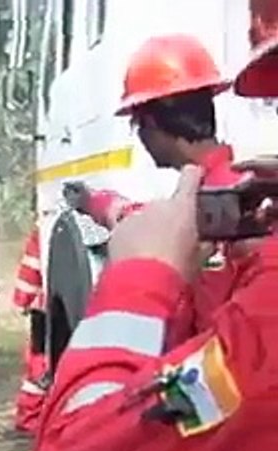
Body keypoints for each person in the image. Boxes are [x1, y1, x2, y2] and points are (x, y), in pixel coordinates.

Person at [32, 30, 278, 451]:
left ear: (151, 125)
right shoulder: (237, 202)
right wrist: (100, 207)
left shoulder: (254, 309)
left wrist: (139, 278)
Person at [66, 34, 246, 344]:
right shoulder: (224, 186)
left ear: (154, 123)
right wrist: (95, 202)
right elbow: (153, 222)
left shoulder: (217, 200)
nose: (140, 139)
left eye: (138, 125)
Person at [11, 226, 48, 435]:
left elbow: (32, 265)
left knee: (40, 364)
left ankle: (30, 416)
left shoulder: (47, 225)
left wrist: (24, 297)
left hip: (46, 309)